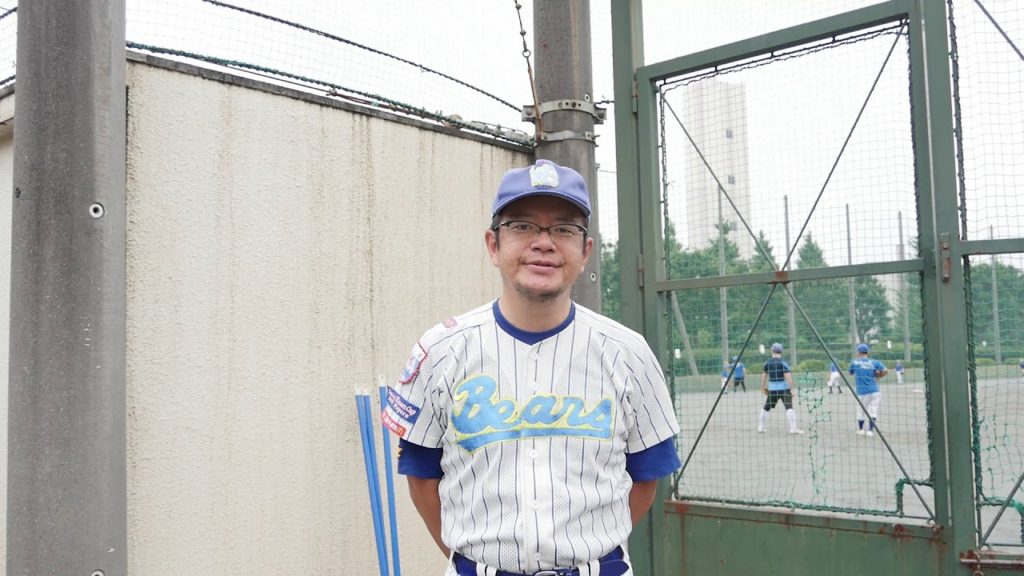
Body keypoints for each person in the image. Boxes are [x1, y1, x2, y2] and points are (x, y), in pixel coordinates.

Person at [381, 159, 682, 576]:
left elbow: (648, 474)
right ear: (493, 245)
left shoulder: (628, 352)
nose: (544, 243)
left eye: (564, 229)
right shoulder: (440, 350)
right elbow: (420, 475)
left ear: (586, 251)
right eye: (522, 226)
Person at [757, 342, 804, 434]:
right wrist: (791, 389)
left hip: (772, 389)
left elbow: (764, 376)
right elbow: (788, 377)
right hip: (784, 389)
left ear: (772, 351)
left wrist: (762, 386)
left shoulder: (767, 363)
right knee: (789, 408)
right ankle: (793, 429)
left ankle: (760, 428)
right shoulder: (783, 363)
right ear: (781, 352)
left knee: (766, 408)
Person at [849, 343, 887, 437]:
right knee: (873, 410)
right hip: (875, 390)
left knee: (861, 410)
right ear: (867, 352)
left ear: (858, 352)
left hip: (862, 391)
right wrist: (878, 376)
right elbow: (885, 370)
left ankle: (861, 429)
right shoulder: (874, 362)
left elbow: (851, 372)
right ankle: (870, 431)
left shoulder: (855, 362)